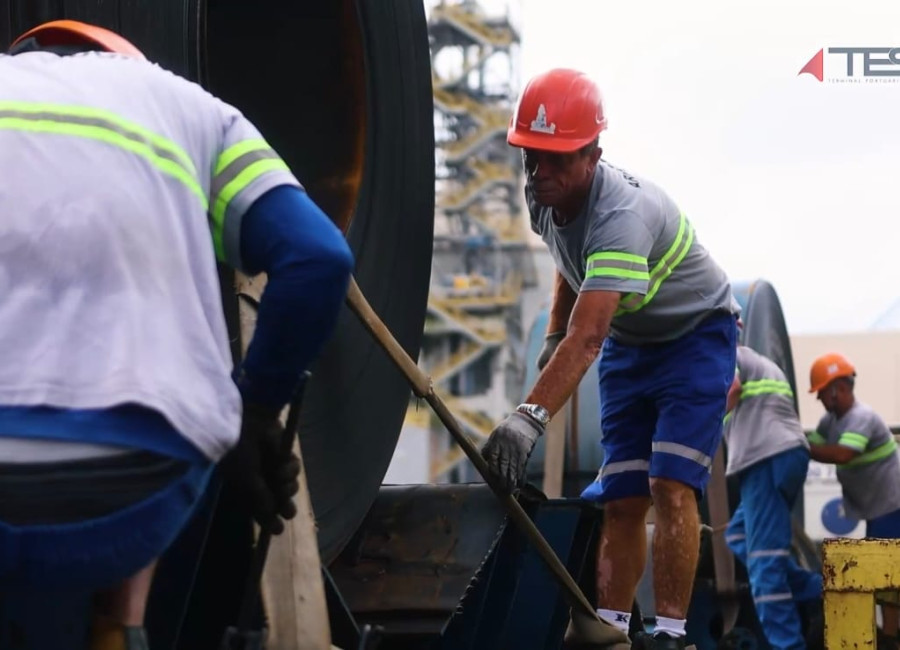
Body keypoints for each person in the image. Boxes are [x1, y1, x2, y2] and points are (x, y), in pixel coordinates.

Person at [0, 20, 353, 649]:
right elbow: (319, 258)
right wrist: (255, 414)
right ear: (129, 64)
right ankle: (121, 628)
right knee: (159, 396)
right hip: (131, 499)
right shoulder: (190, 110)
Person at [481, 67, 739, 649]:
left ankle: (673, 635)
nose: (540, 172)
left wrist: (528, 419)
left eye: (557, 160)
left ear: (593, 155)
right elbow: (568, 261)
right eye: (531, 156)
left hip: (696, 337)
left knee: (670, 482)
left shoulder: (621, 216)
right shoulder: (542, 192)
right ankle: (611, 630)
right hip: (634, 342)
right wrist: (552, 333)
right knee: (622, 493)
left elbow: (590, 336)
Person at [724, 344, 822, 649]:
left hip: (765, 458)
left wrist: (695, 425)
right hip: (781, 456)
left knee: (764, 565)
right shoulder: (757, 359)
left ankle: (788, 645)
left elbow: (731, 388)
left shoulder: (722, 349)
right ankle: (818, 589)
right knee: (738, 535)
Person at [808, 353, 900, 647]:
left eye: (822, 393)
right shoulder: (830, 420)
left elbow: (842, 454)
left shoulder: (862, 418)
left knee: (887, 573)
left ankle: (890, 636)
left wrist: (795, 445)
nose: (820, 400)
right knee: (886, 573)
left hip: (892, 505)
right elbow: (816, 445)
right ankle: (890, 634)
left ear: (839, 389)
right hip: (877, 508)